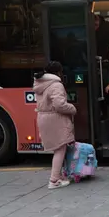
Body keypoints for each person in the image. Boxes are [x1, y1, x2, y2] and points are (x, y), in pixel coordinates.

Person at [34, 61, 76, 190]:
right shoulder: (56, 85)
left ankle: (59, 176)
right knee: (60, 148)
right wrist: (72, 108)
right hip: (55, 118)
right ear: (59, 72)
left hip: (43, 117)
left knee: (58, 147)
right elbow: (59, 105)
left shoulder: (40, 83)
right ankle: (54, 180)